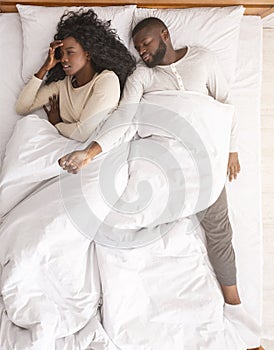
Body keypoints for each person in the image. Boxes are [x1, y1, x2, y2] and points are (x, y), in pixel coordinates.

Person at [59, 17, 261, 349]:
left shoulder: (204, 59)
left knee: (220, 231)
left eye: (146, 43)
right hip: (163, 158)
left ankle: (234, 308)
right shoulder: (143, 76)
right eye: (137, 47)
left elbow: (224, 107)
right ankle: (147, 310)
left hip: (205, 155)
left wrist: (231, 148)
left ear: (164, 35)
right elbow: (125, 119)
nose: (142, 51)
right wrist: (90, 152)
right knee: (124, 227)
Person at [16, 9, 136, 143]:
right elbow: (22, 107)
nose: (64, 59)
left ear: (88, 54)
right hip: (66, 148)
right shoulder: (62, 84)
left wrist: (57, 123)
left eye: (70, 53)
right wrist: (45, 68)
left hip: (96, 152)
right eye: (61, 54)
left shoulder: (107, 80)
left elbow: (82, 133)